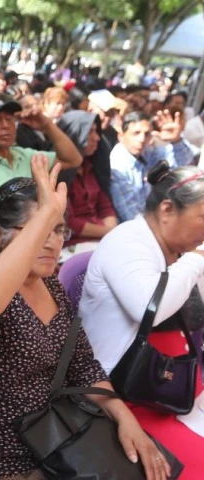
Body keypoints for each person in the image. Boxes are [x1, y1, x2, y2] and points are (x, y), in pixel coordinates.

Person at [0, 156, 172, 480]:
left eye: (59, 229)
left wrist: (123, 416)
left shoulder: (50, 284)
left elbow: (82, 363)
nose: (52, 242)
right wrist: (49, 211)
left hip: (61, 437)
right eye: (39, 229)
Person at [79, 161, 204, 478]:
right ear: (166, 209)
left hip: (164, 384)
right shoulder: (127, 241)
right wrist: (196, 259)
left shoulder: (171, 249)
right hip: (118, 393)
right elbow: (151, 306)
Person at [0, 97, 83, 189]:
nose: (5, 125)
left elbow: (73, 160)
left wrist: (47, 125)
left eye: (9, 119)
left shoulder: (24, 155)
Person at [110, 110, 196, 222]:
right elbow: (131, 216)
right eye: (136, 133)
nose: (142, 139)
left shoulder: (147, 153)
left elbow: (182, 165)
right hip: (136, 229)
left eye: (146, 134)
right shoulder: (118, 166)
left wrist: (176, 140)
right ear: (121, 136)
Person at [56, 110, 117, 259]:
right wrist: (109, 232)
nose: (97, 138)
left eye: (96, 131)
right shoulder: (59, 172)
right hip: (71, 246)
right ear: (75, 135)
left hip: (102, 239)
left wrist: (111, 231)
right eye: (89, 132)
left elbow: (105, 207)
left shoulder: (92, 166)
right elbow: (68, 222)